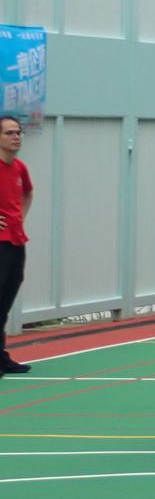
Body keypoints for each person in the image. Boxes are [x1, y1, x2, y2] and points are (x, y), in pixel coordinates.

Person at [0, 115, 34, 378]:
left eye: (18, 132)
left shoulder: (19, 168)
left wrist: (19, 218)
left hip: (15, 241)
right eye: (9, 133)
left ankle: (1, 356)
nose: (16, 137)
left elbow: (28, 193)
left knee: (5, 302)